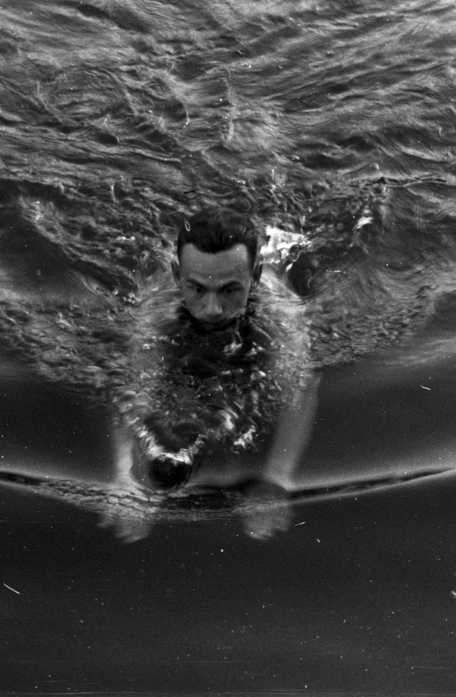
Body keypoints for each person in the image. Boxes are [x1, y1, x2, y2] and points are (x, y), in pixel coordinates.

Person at [106, 206, 318, 541]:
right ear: (177, 276)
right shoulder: (153, 317)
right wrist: (125, 476)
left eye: (230, 289)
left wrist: (277, 479)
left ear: (257, 274)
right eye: (197, 289)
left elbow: (300, 392)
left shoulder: (282, 319)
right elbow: (133, 394)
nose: (212, 308)